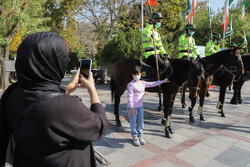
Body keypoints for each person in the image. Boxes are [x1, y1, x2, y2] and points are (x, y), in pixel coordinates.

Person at [0, 32, 109, 167]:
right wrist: (92, 89)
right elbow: (99, 125)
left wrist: (66, 91)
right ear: (55, 63)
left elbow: (42, 106)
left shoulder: (12, 92)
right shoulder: (65, 106)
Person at [127, 66, 169, 146]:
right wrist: (131, 108)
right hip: (133, 107)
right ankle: (134, 136)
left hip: (140, 106)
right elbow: (130, 97)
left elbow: (152, 84)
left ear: (140, 74)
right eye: (135, 74)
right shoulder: (130, 85)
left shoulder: (142, 83)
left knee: (140, 122)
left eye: (138, 74)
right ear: (132, 75)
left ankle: (140, 135)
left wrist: (162, 81)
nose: (137, 76)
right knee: (133, 122)